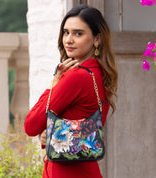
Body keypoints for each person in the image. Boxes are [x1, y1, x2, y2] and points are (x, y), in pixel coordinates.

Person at [24, 4, 117, 178]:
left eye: (78, 33)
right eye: (66, 32)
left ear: (97, 39)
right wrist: (50, 133)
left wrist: (54, 83)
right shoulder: (99, 73)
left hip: (66, 172)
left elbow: (30, 125)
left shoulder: (76, 77)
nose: (68, 40)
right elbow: (80, 123)